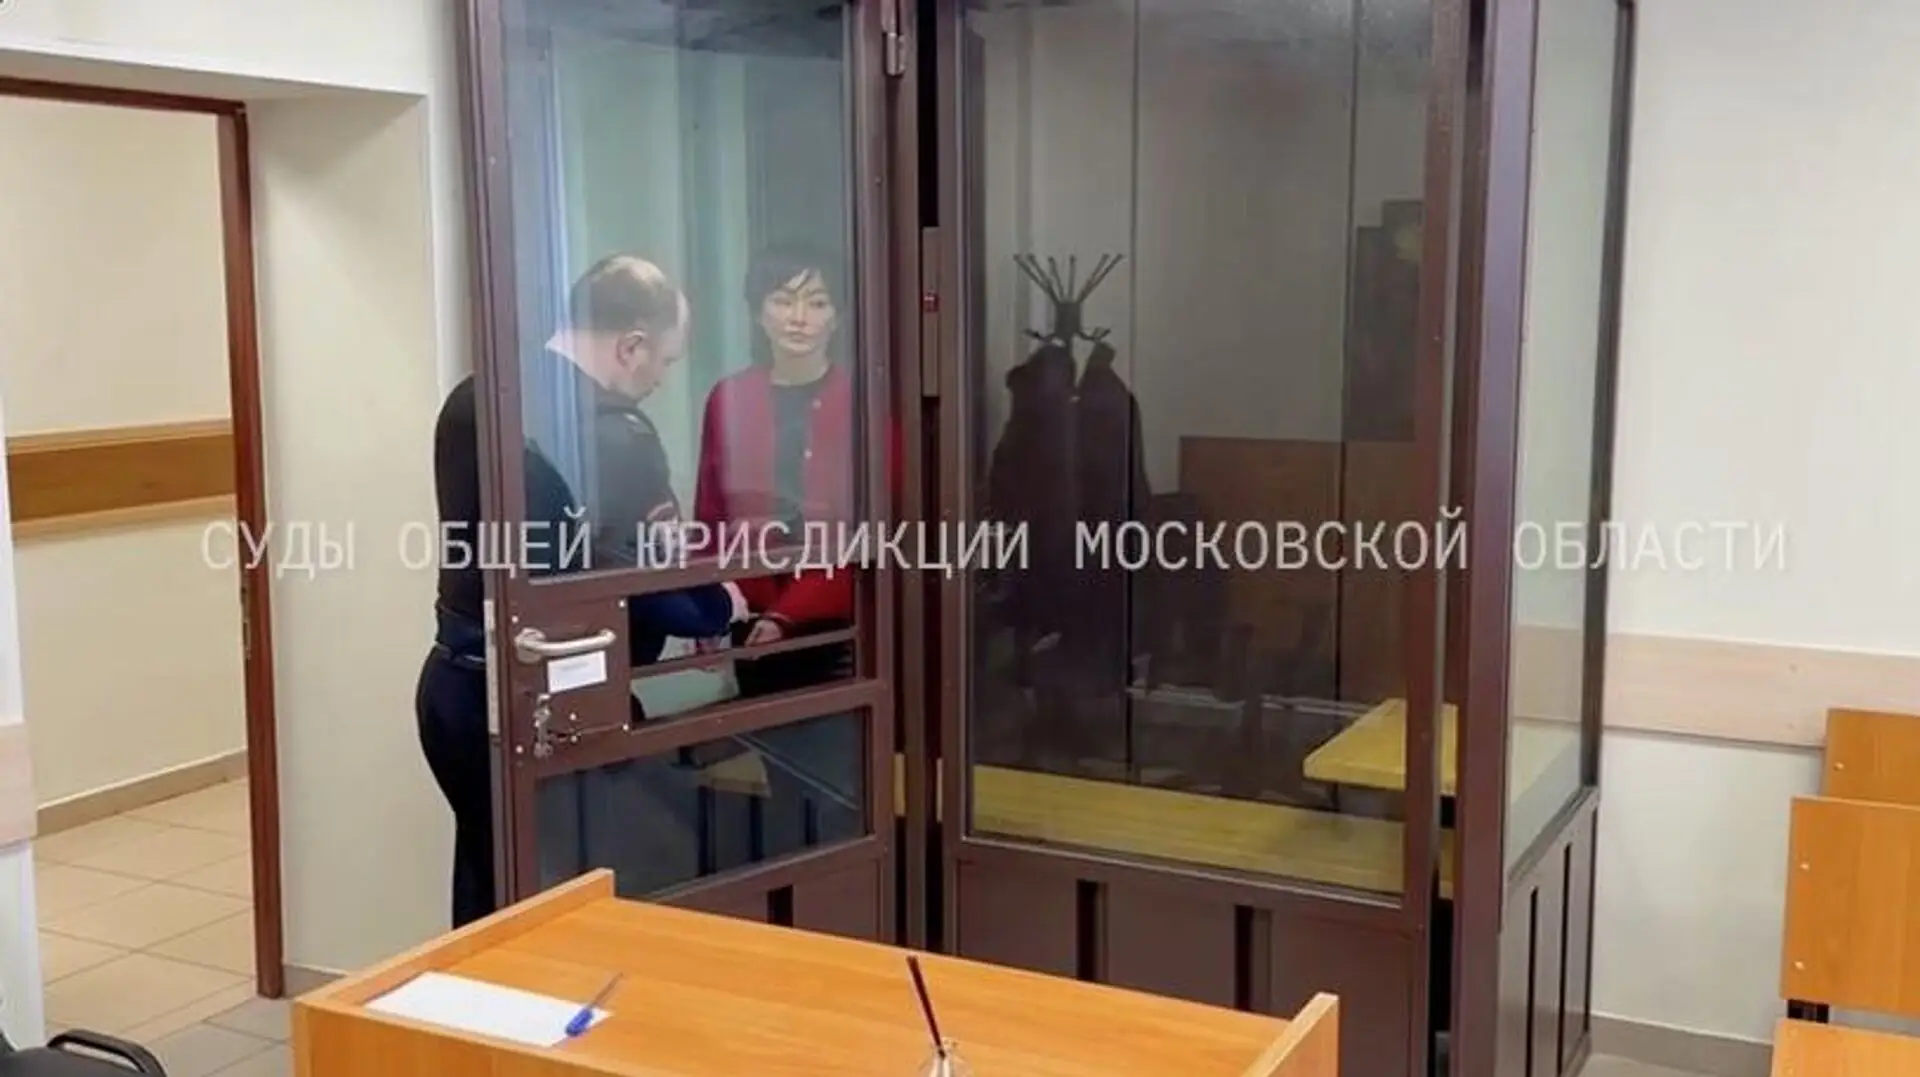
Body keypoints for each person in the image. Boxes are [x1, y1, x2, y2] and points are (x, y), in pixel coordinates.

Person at [418, 254, 742, 928]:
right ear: (631, 345)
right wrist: (722, 607)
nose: (659, 380)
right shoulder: (613, 434)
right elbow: (655, 583)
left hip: (455, 690)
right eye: (664, 362)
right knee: (595, 895)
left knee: (491, 883)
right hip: (550, 704)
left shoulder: (478, 396)